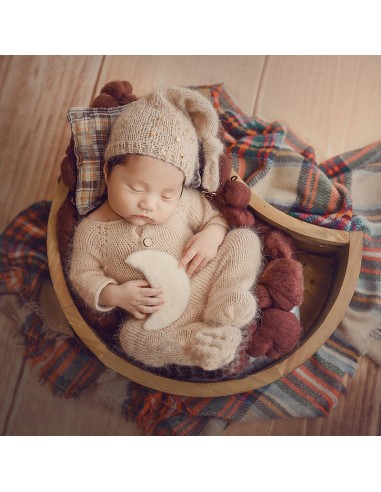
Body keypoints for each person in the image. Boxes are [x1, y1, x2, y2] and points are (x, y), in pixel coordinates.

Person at [69, 87, 262, 371]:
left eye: (166, 195)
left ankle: (227, 302)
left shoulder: (185, 203)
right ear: (108, 172)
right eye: (136, 188)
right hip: (160, 314)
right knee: (131, 339)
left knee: (244, 240)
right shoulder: (92, 231)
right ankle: (199, 343)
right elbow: (82, 275)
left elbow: (216, 218)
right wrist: (116, 294)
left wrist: (212, 235)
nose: (149, 204)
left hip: (206, 280)